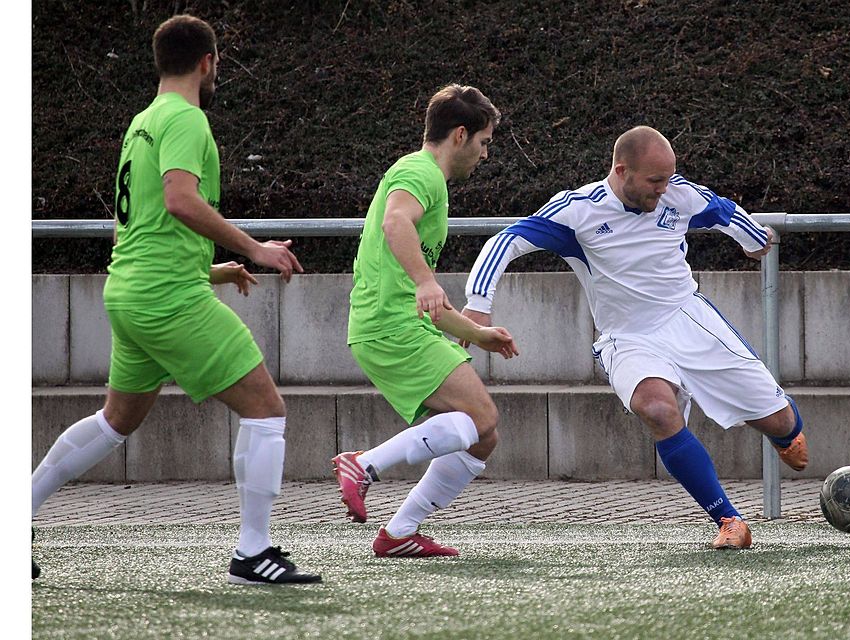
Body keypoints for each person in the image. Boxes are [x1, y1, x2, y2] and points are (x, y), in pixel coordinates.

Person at [31, 14, 320, 584]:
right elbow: (179, 201)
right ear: (208, 62)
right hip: (167, 299)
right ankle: (253, 553)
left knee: (116, 420)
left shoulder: (142, 122)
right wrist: (255, 249)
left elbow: (140, 228)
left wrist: (210, 270)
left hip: (131, 292)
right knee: (266, 410)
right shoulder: (187, 118)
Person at [461, 125, 808, 550]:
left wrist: (753, 239)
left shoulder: (678, 194)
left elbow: (723, 210)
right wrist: (478, 303)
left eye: (668, 178)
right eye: (655, 180)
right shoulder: (578, 209)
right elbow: (507, 240)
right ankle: (729, 520)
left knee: (782, 425)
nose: (664, 189)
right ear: (622, 171)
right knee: (656, 409)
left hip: (688, 320)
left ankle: (784, 432)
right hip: (626, 338)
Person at [332, 84, 519, 558]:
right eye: (484, 142)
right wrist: (424, 280)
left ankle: (399, 533)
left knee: (483, 435)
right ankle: (363, 465)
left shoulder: (424, 177)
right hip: (390, 327)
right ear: (460, 135)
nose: (485, 154)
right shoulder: (421, 172)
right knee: (481, 417)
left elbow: (424, 298)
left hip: (395, 325)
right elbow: (395, 223)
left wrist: (477, 334)